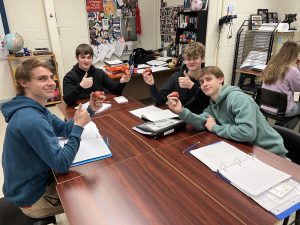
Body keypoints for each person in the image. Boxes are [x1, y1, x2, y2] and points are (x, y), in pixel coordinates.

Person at [1, 58, 104, 218]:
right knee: (97, 197)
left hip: (32, 183)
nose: (51, 83)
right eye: (42, 79)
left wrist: (90, 109)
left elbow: (63, 129)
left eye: (51, 77)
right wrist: (78, 126)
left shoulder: (36, 108)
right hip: (32, 199)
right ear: (24, 82)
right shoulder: (31, 119)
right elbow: (61, 164)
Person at [167, 66, 287, 156]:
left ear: (221, 79)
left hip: (269, 152)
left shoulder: (237, 99)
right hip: (247, 149)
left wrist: (215, 128)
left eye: (209, 79)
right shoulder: (213, 103)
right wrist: (181, 111)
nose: (204, 84)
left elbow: (247, 133)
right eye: (202, 82)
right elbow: (202, 122)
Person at [142, 42, 210, 114]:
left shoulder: (209, 78)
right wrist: (152, 85)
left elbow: (209, 104)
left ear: (202, 59)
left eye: (195, 58)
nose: (192, 61)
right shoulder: (177, 77)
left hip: (200, 120)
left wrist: (192, 86)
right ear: (184, 60)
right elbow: (160, 101)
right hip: (180, 118)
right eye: (188, 59)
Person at [63, 43, 131, 105]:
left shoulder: (99, 73)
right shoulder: (69, 77)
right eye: (83, 57)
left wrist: (122, 82)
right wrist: (81, 86)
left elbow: (116, 91)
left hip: (98, 108)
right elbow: (68, 100)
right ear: (77, 58)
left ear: (92, 58)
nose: (86, 60)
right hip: (80, 111)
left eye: (89, 57)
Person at [261, 40, 300, 129]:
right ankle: (284, 132)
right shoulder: (292, 70)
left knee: (285, 103)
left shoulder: (271, 66)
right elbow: (298, 90)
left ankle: (279, 127)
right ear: (295, 55)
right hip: (280, 110)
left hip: (264, 106)